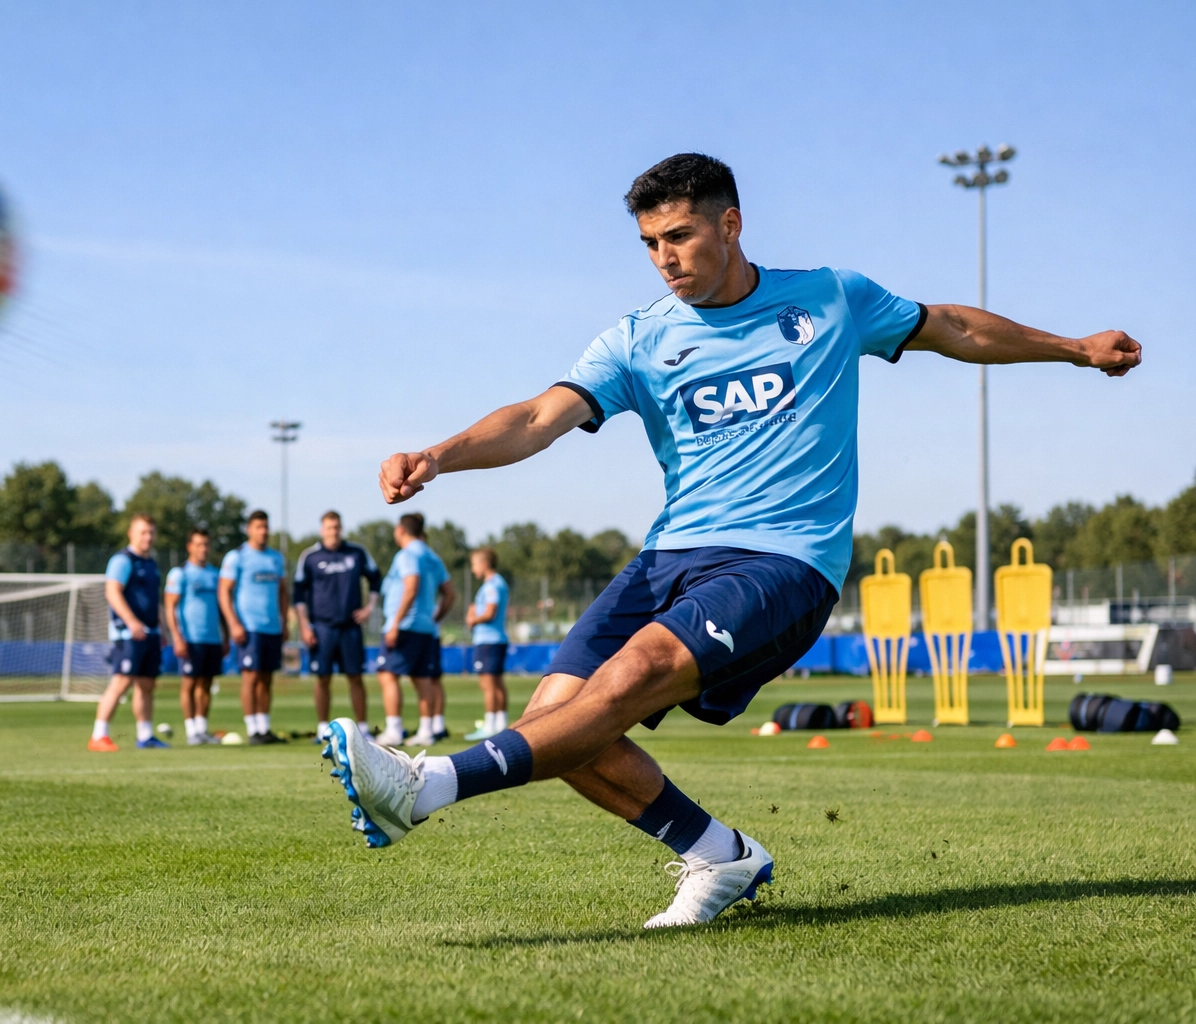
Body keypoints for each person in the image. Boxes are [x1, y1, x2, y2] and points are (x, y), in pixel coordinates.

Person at [322, 152, 1141, 928]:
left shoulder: (828, 298)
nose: (663, 258)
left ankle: (428, 785)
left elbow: (953, 327)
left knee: (634, 674)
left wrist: (1072, 349)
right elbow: (539, 418)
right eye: (648, 244)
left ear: (732, 224)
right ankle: (719, 856)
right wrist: (440, 456)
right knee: (557, 720)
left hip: (785, 558)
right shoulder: (638, 338)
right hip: (669, 554)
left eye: (678, 236)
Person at [293, 511, 382, 742]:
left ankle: (363, 729)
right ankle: (323, 728)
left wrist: (369, 607)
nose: (334, 531)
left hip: (350, 628)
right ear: (322, 530)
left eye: (337, 527)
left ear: (341, 529)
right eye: (329, 527)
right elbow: (298, 593)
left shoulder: (356, 553)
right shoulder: (310, 557)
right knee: (322, 678)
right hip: (321, 627)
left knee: (355, 677)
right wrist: (304, 625)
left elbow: (375, 578)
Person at [373, 513, 454, 747]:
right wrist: (434, 618)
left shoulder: (407, 554)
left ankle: (394, 730)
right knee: (422, 679)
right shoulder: (432, 556)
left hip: (405, 626)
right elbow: (450, 594)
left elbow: (411, 586)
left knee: (387, 675)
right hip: (425, 628)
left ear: (400, 530)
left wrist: (396, 622)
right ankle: (426, 731)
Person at [90, 514, 168, 751]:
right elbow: (112, 592)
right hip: (128, 634)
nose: (148, 537)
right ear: (131, 533)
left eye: (151, 532)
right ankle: (98, 735)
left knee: (146, 685)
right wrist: (132, 621)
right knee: (121, 682)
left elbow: (155, 601)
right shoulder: (123, 560)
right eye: (143, 532)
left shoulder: (151, 563)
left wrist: (162, 628)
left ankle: (145, 735)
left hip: (150, 633)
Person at [219, 510, 290, 744]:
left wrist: (284, 621)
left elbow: (282, 591)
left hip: (272, 627)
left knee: (267, 678)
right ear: (249, 529)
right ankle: (252, 730)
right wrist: (233, 624)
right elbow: (224, 591)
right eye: (258, 527)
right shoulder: (236, 556)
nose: (263, 531)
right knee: (251, 677)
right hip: (248, 627)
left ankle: (264, 728)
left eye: (266, 527)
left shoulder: (275, 558)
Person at [165, 527, 228, 745]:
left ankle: (202, 730)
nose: (203, 549)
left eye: (206, 544)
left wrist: (225, 636)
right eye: (199, 544)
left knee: (206, 684)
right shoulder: (180, 573)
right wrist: (177, 637)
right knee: (189, 684)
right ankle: (191, 731)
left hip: (212, 639)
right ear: (189, 547)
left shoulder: (215, 574)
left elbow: (221, 608)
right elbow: (170, 606)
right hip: (190, 638)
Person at [463, 547, 510, 740]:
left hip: (488, 641)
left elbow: (490, 612)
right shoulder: (498, 583)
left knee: (488, 684)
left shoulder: (492, 585)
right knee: (497, 683)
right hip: (494, 640)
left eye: (474, 564)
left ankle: (490, 725)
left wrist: (473, 618)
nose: (473, 570)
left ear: (484, 564)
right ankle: (500, 723)